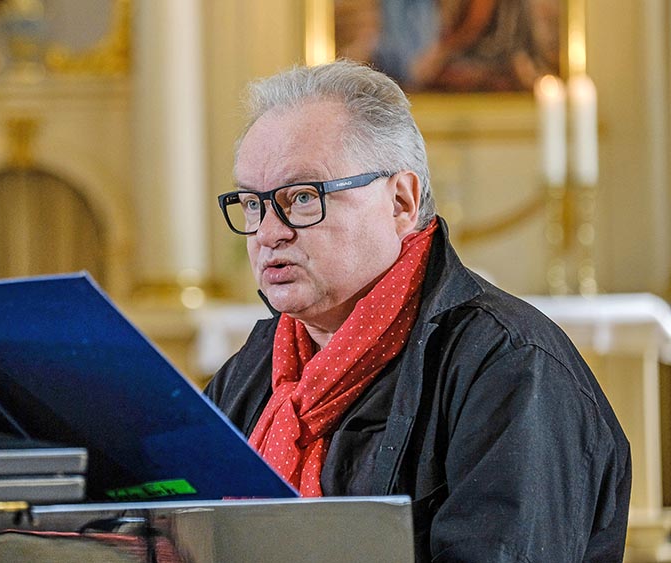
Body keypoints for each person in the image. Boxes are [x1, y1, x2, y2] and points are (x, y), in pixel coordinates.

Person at [205, 59, 630, 562]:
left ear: (401, 202)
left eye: (302, 197)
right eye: (253, 204)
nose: (268, 232)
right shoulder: (253, 369)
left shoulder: (512, 366)